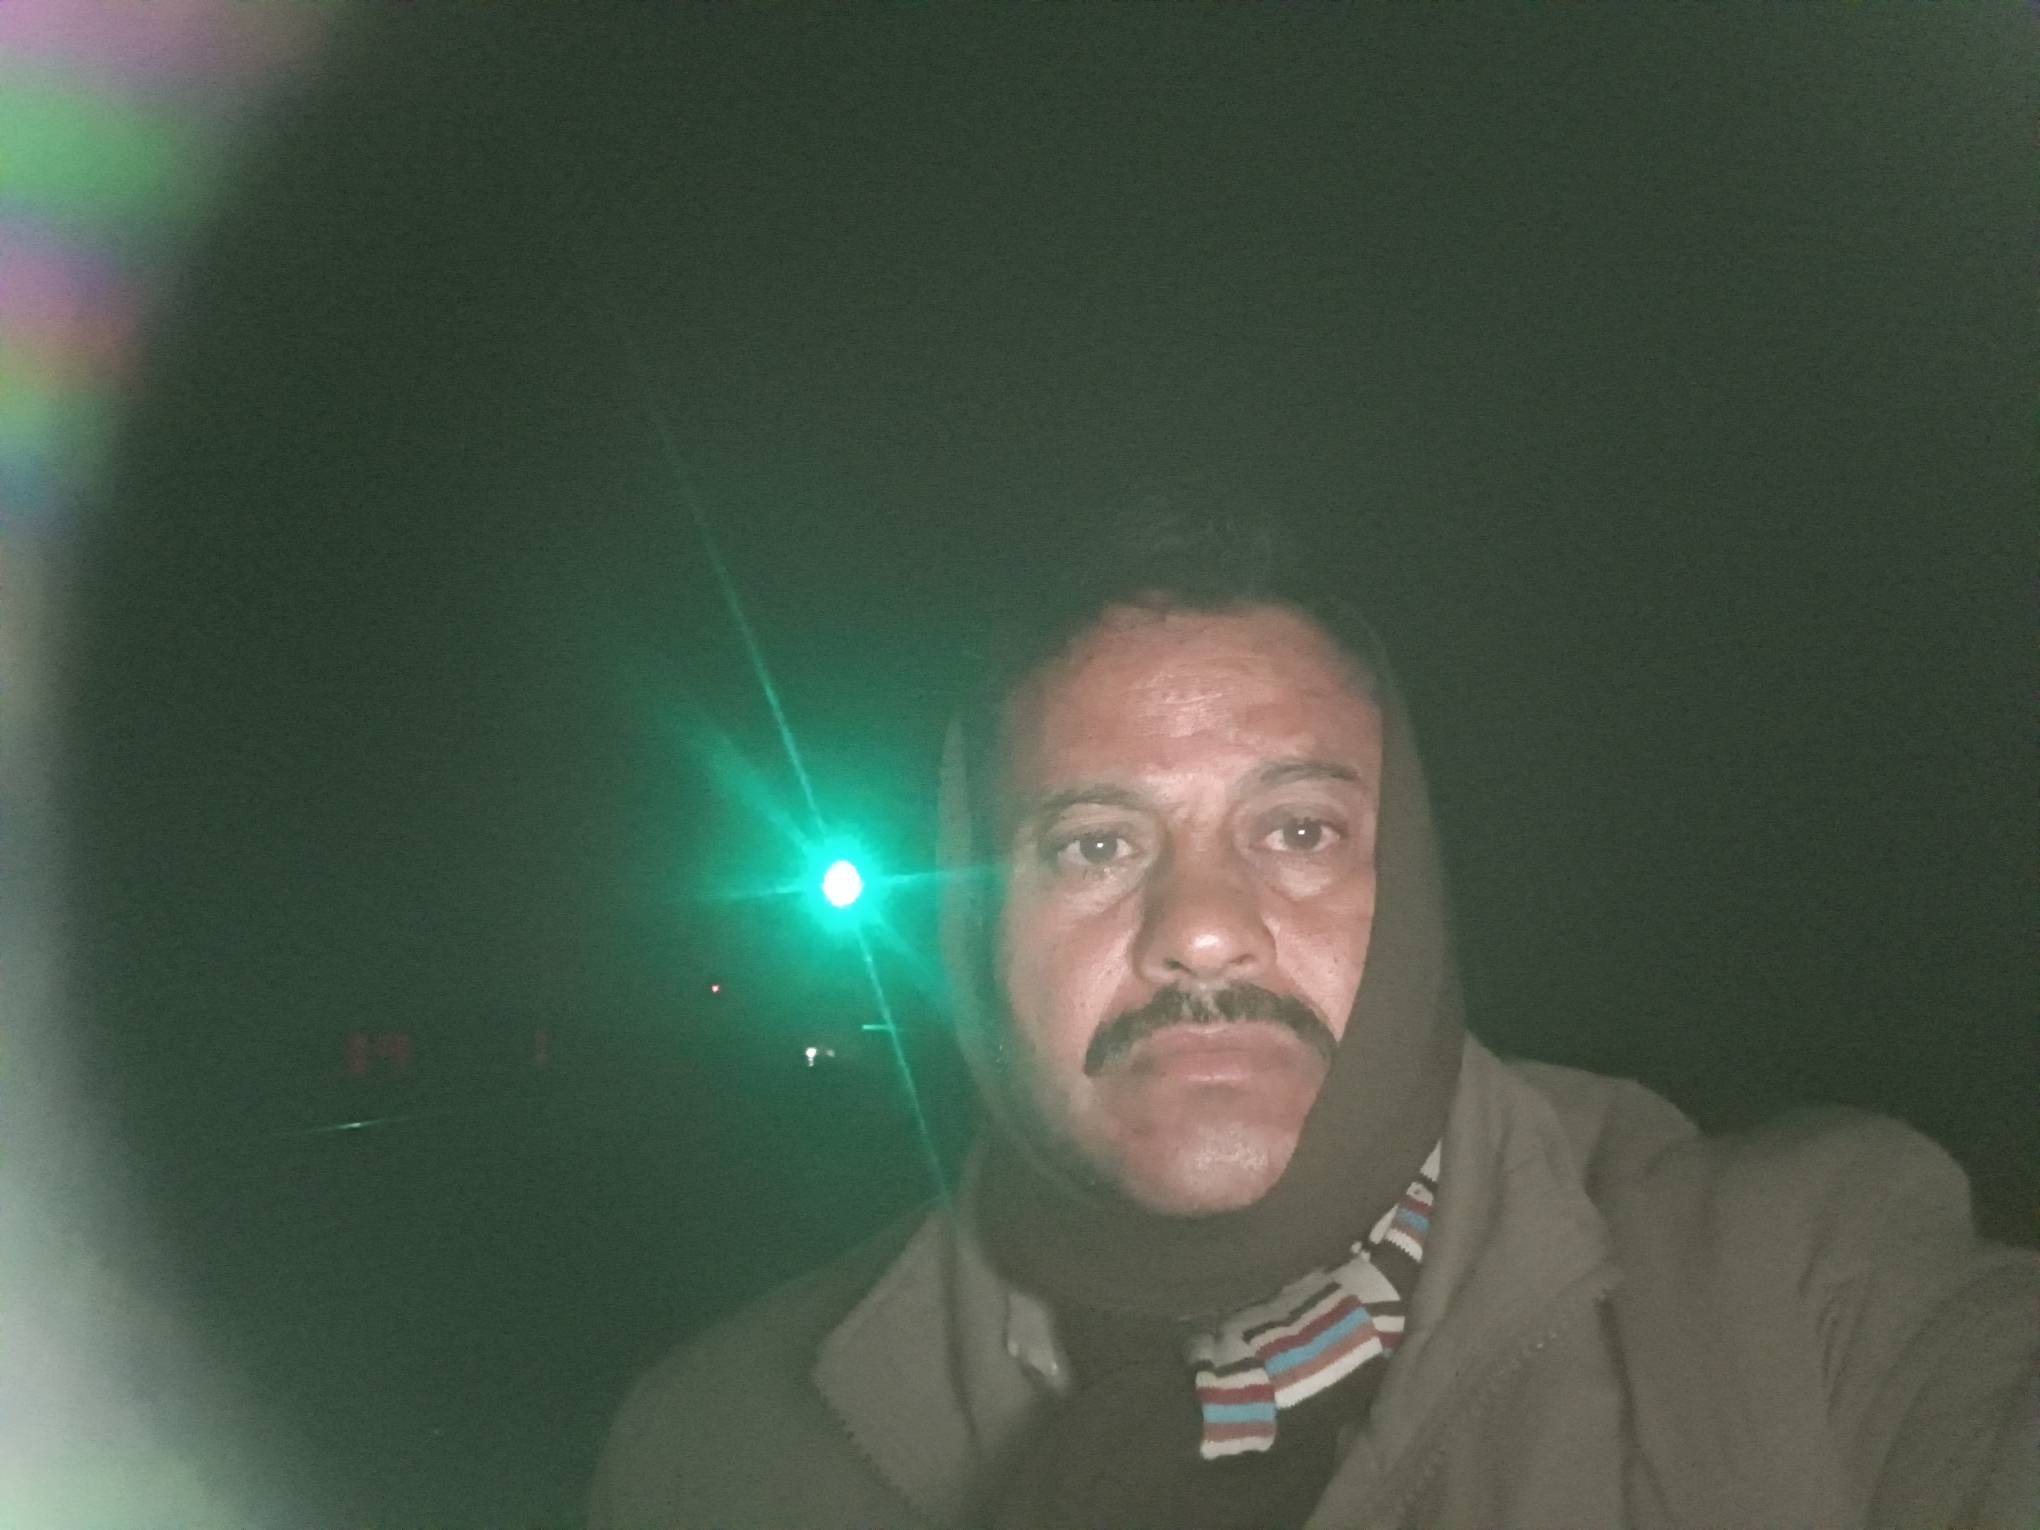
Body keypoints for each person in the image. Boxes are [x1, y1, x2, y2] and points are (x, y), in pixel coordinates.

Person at [588, 497, 2038, 1528]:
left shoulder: (1798, 1297)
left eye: (1298, 830)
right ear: (976, 928)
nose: (1201, 927)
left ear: (1414, 888)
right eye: (1094, 845)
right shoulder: (714, 1454)